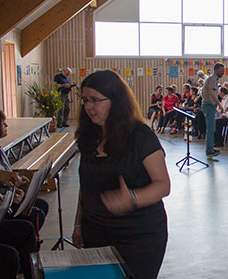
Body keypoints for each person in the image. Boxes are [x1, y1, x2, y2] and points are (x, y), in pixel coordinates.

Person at [73, 70, 171, 279]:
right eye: (85, 100)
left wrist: (132, 198)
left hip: (138, 235)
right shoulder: (89, 136)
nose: (89, 107)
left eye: (95, 100)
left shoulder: (141, 137)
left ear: (115, 101)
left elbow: (163, 185)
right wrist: (78, 224)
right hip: (96, 232)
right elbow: (87, 185)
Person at [202, 63, 225, 157]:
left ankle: (210, 147)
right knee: (211, 129)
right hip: (208, 105)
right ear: (216, 70)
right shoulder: (212, 79)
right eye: (221, 70)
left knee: (212, 128)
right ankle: (209, 150)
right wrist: (219, 104)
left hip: (210, 105)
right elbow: (211, 92)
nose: (223, 72)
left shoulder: (214, 79)